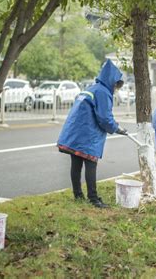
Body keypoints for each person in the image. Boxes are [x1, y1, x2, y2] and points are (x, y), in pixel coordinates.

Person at [57, 59, 127, 208]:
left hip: (74, 131)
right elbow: (105, 118)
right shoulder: (103, 92)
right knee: (91, 163)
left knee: (76, 164)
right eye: (116, 85)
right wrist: (117, 128)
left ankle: (78, 195)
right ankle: (94, 199)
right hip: (87, 133)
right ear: (112, 81)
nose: (116, 89)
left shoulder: (92, 88)